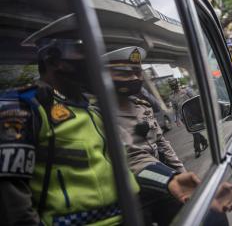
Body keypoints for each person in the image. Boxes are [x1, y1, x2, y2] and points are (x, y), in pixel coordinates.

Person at [0, 14, 139, 225]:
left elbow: (129, 160)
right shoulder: (24, 106)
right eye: (84, 50)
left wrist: (168, 181)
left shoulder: (91, 109)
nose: (95, 59)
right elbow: (11, 200)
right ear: (54, 60)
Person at [103, 46, 200, 225]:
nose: (134, 78)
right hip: (133, 194)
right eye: (125, 73)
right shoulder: (100, 114)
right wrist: (170, 179)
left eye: (137, 72)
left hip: (158, 181)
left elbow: (162, 143)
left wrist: (181, 172)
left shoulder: (143, 106)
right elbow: (131, 157)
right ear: (105, 77)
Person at [168, 78, 208, 158]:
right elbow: (175, 108)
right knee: (193, 131)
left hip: (192, 115)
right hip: (183, 118)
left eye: (174, 84)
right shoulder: (172, 97)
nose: (174, 86)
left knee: (193, 131)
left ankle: (197, 150)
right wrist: (176, 120)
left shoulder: (186, 90)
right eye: (172, 85)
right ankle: (204, 141)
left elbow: (196, 99)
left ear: (177, 83)